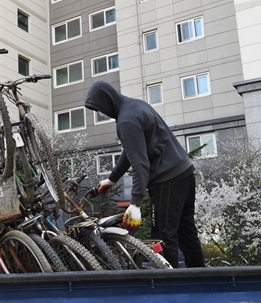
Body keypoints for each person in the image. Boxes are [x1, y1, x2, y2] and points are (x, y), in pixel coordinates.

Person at [84, 80, 205, 269]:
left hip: (167, 180)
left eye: (100, 109)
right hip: (184, 173)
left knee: (164, 238)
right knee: (186, 232)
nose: (102, 113)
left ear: (106, 102)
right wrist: (112, 178)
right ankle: (201, 282)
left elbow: (140, 164)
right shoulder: (136, 106)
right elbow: (131, 150)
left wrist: (135, 203)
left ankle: (169, 289)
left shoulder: (126, 121)